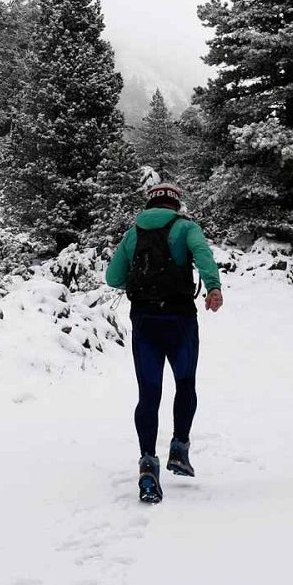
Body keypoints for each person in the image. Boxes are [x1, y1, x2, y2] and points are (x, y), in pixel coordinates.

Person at [104, 182, 223, 504]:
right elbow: (203, 256)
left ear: (150, 204)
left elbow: (112, 278)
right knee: (185, 383)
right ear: (175, 204)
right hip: (180, 318)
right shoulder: (186, 228)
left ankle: (147, 464)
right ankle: (179, 450)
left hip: (144, 320)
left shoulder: (133, 234)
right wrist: (213, 287)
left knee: (148, 393)